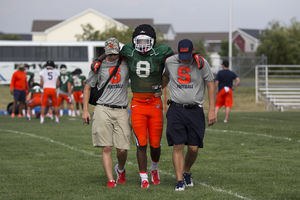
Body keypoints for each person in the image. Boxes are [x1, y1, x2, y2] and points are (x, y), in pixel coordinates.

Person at [119, 24, 174, 188]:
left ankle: (154, 169)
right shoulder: (128, 51)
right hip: (137, 103)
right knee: (141, 143)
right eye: (139, 40)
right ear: (134, 41)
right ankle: (143, 176)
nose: (142, 43)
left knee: (155, 144)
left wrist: (161, 87)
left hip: (154, 103)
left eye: (146, 40)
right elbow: (112, 55)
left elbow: (175, 64)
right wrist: (98, 60)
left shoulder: (162, 52)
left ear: (153, 41)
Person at [162, 39, 216, 191]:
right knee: (178, 145)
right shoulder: (170, 61)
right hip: (176, 109)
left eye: (187, 55)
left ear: (193, 51)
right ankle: (179, 180)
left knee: (193, 148)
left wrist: (212, 110)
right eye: (182, 55)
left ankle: (186, 172)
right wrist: (160, 87)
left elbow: (211, 84)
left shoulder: (201, 63)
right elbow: (166, 76)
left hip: (195, 109)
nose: (184, 59)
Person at [82, 38, 131, 188]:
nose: (113, 56)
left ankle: (120, 169)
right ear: (105, 52)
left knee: (122, 149)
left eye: (115, 53)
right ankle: (110, 179)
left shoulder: (126, 63)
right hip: (103, 108)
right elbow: (87, 87)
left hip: (122, 109)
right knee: (106, 147)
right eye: (110, 54)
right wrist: (85, 110)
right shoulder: (98, 66)